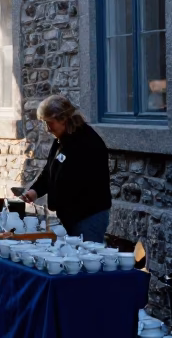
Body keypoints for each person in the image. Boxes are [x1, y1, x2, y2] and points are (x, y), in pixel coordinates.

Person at [23, 94, 111, 241]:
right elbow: (50, 171)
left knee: (86, 259)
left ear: (63, 119)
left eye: (49, 123)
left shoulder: (87, 142)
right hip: (71, 216)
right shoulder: (61, 139)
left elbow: (83, 182)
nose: (47, 129)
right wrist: (35, 191)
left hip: (88, 215)